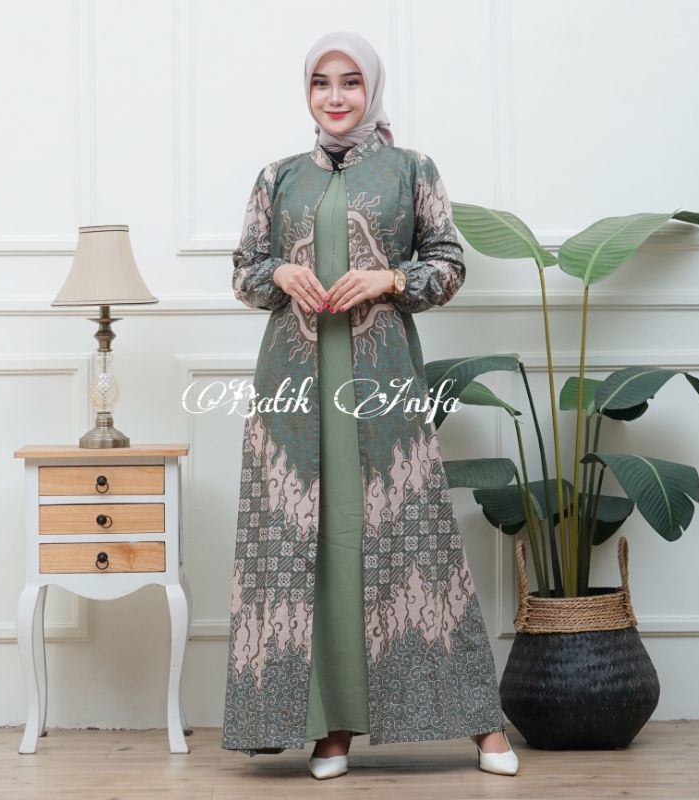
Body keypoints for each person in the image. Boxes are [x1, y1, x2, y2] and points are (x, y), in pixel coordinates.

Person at [221, 30, 519, 781]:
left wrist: (389, 279)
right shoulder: (278, 177)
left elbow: (448, 265)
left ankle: (482, 724)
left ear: (372, 88)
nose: (335, 96)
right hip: (294, 392)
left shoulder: (411, 169)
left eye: (350, 81)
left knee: (413, 542)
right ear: (307, 92)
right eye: (321, 82)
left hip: (381, 382)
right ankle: (332, 729)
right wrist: (279, 273)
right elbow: (244, 271)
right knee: (313, 549)